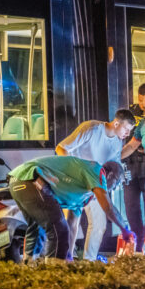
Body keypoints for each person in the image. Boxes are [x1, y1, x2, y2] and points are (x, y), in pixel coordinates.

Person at [8, 156, 133, 261]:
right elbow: (108, 206)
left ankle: (29, 268)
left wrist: (69, 255)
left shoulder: (84, 196)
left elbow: (72, 225)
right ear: (110, 175)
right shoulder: (96, 170)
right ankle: (54, 274)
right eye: (117, 182)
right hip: (30, 177)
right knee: (58, 228)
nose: (116, 187)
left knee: (37, 227)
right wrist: (125, 229)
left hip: (18, 181)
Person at [56, 109, 136, 260]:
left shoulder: (117, 143)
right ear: (116, 123)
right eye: (126, 129)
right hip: (75, 182)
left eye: (129, 131)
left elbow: (113, 166)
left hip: (94, 185)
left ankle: (89, 261)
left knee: (99, 223)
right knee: (72, 221)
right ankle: (66, 260)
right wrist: (73, 171)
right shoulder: (91, 129)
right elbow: (61, 148)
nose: (127, 134)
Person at [123, 82, 145, 252]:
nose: (143, 105)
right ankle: (137, 246)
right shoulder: (130, 112)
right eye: (141, 101)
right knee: (131, 208)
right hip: (130, 166)